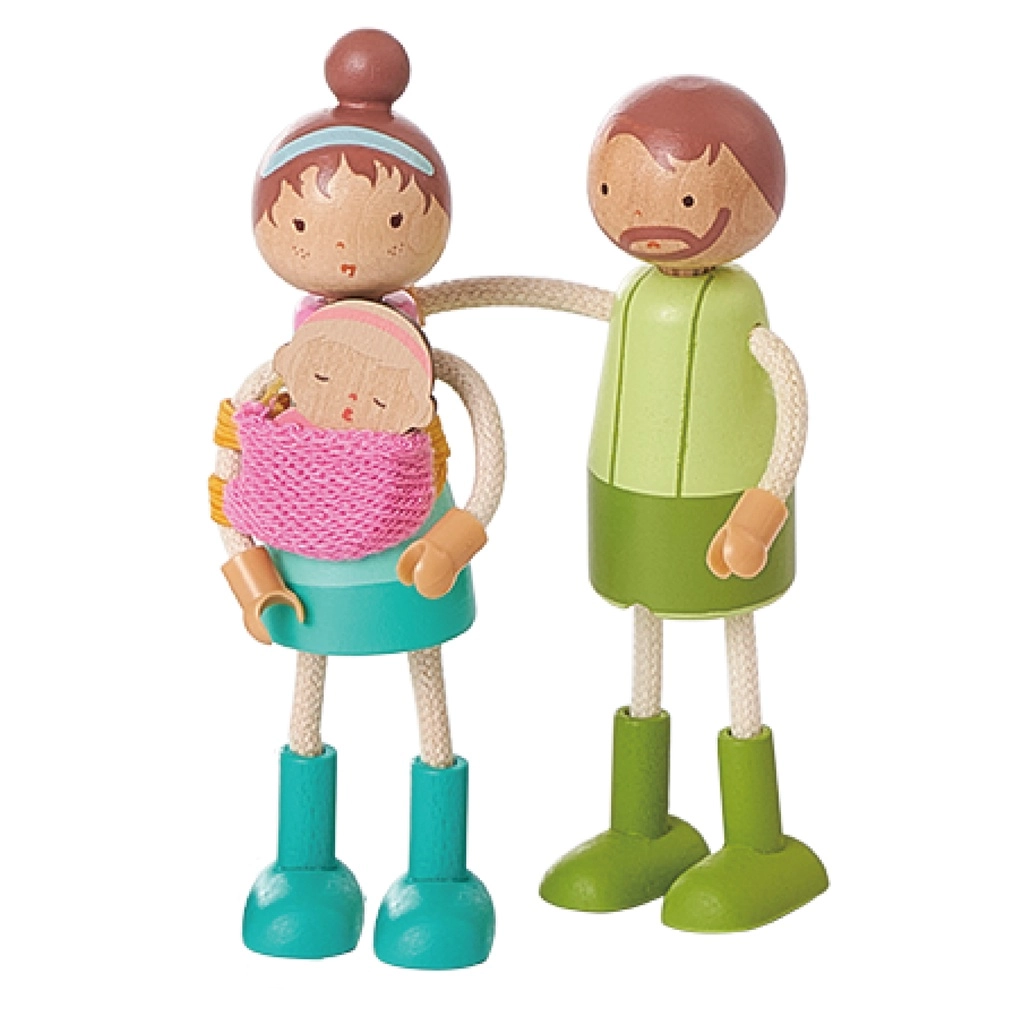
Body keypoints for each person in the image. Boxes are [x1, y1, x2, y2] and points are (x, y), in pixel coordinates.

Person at [415, 75, 827, 932]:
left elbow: (790, 396)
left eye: (685, 197)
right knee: (643, 644)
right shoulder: (639, 299)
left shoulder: (740, 312)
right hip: (627, 501)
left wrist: (763, 505)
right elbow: (549, 294)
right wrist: (410, 307)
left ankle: (760, 845)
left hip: (727, 510)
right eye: (620, 191)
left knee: (734, 650)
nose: (651, 217)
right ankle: (643, 828)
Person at [210, 30, 503, 968]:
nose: (338, 247)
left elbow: (485, 429)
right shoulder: (281, 377)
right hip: (307, 571)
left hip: (415, 556)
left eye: (386, 222)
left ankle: (439, 879)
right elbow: (230, 470)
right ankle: (303, 869)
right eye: (304, 226)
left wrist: (461, 532)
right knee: (309, 699)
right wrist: (249, 574)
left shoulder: (427, 362)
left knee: (429, 703)